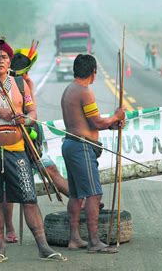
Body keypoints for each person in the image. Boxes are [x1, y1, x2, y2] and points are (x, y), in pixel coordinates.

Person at [0, 38, 67, 263]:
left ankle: (43, 247)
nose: (0, 60)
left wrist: (26, 120)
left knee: (29, 199)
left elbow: (33, 114)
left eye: (4, 57)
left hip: (18, 150)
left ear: (10, 61)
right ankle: (0, 248)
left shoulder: (21, 85)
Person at [1, 47, 71, 243]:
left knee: (50, 169)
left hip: (31, 142)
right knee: (8, 188)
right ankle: (10, 229)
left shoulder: (25, 84)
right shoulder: (1, 85)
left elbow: (33, 115)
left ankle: (79, 202)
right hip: (11, 143)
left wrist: (27, 120)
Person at [61, 54, 125, 253]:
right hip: (81, 147)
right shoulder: (84, 91)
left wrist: (113, 125)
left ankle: (74, 238)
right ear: (94, 72)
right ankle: (94, 241)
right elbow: (96, 122)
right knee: (93, 194)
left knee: (76, 195)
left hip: (71, 144)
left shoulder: (70, 89)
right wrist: (116, 116)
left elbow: (87, 123)